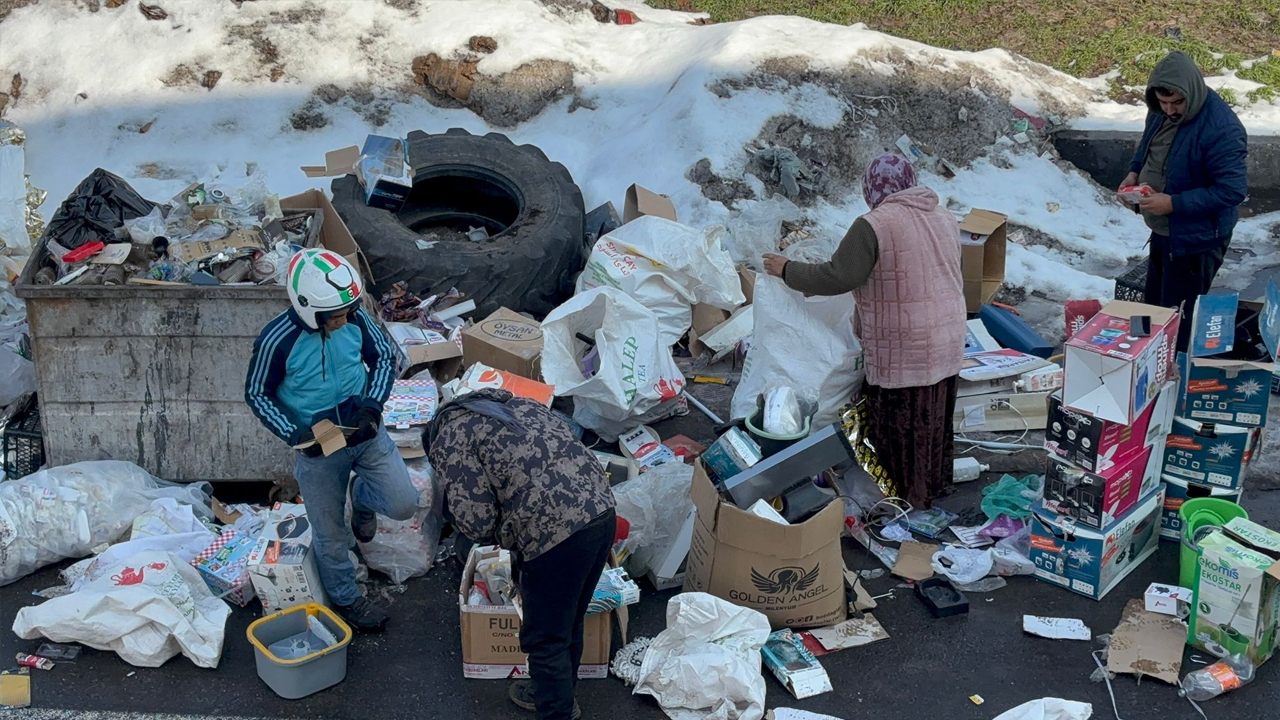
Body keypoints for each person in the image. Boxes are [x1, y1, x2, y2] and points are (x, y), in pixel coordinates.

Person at [763, 153, 965, 509]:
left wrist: (788, 270)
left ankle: (902, 500)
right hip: (948, 333)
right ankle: (931, 487)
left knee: (900, 423)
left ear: (871, 187)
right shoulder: (943, 216)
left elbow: (840, 276)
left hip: (904, 343)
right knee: (932, 416)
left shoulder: (873, 224)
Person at [245, 248, 418, 631]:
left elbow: (384, 358)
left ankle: (362, 499)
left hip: (365, 431)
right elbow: (257, 394)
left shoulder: (355, 317)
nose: (345, 320)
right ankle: (347, 599)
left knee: (404, 503)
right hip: (319, 449)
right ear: (308, 309)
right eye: (336, 315)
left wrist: (372, 407)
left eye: (349, 311)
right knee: (330, 534)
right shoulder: (277, 340)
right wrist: (295, 433)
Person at [426, 389, 616, 720]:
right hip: (601, 510)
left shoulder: (449, 439)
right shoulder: (517, 405)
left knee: (544, 639)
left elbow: (476, 523)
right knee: (568, 619)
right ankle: (559, 694)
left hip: (556, 533)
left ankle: (556, 710)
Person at [1119, 50, 1247, 351]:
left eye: (1177, 103)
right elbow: (1148, 144)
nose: (1170, 110)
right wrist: (1134, 172)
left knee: (1179, 322)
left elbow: (1232, 190)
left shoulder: (1222, 129)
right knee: (1154, 311)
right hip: (1164, 230)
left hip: (1196, 241)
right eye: (1163, 103)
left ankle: (1176, 368)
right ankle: (1151, 361)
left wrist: (1174, 204)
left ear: (1191, 91)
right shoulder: (1160, 109)